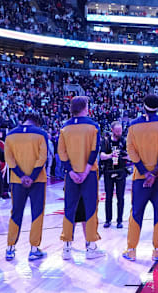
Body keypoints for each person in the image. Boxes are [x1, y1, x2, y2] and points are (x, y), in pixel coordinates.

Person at [123, 95, 158, 262]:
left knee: (136, 212)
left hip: (140, 177)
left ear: (143, 106)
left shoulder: (133, 125)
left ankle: (131, 250)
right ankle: (157, 250)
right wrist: (155, 172)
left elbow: (131, 151)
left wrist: (145, 173)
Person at [58, 96, 104, 260]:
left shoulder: (64, 127)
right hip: (89, 173)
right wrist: (85, 170)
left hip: (71, 175)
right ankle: (91, 246)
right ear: (85, 107)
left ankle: (67, 247)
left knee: (69, 209)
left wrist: (70, 171)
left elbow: (61, 152)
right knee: (91, 209)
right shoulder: (93, 126)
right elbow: (94, 150)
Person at [4, 113, 48, 261]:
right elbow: (43, 157)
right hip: (37, 180)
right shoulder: (41, 133)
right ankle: (34, 249)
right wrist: (32, 176)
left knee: (16, 213)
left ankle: (10, 248)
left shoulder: (10, 135)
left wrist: (22, 176)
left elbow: (9, 159)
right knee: (37, 213)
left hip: (17, 180)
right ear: (37, 122)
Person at [100, 121, 128, 229]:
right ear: (112, 130)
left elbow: (130, 156)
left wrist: (125, 156)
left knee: (120, 197)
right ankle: (108, 220)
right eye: (117, 131)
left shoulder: (124, 141)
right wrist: (110, 155)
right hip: (108, 171)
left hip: (121, 171)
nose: (119, 133)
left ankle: (119, 220)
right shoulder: (106, 141)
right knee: (108, 197)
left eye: (120, 130)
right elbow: (102, 155)